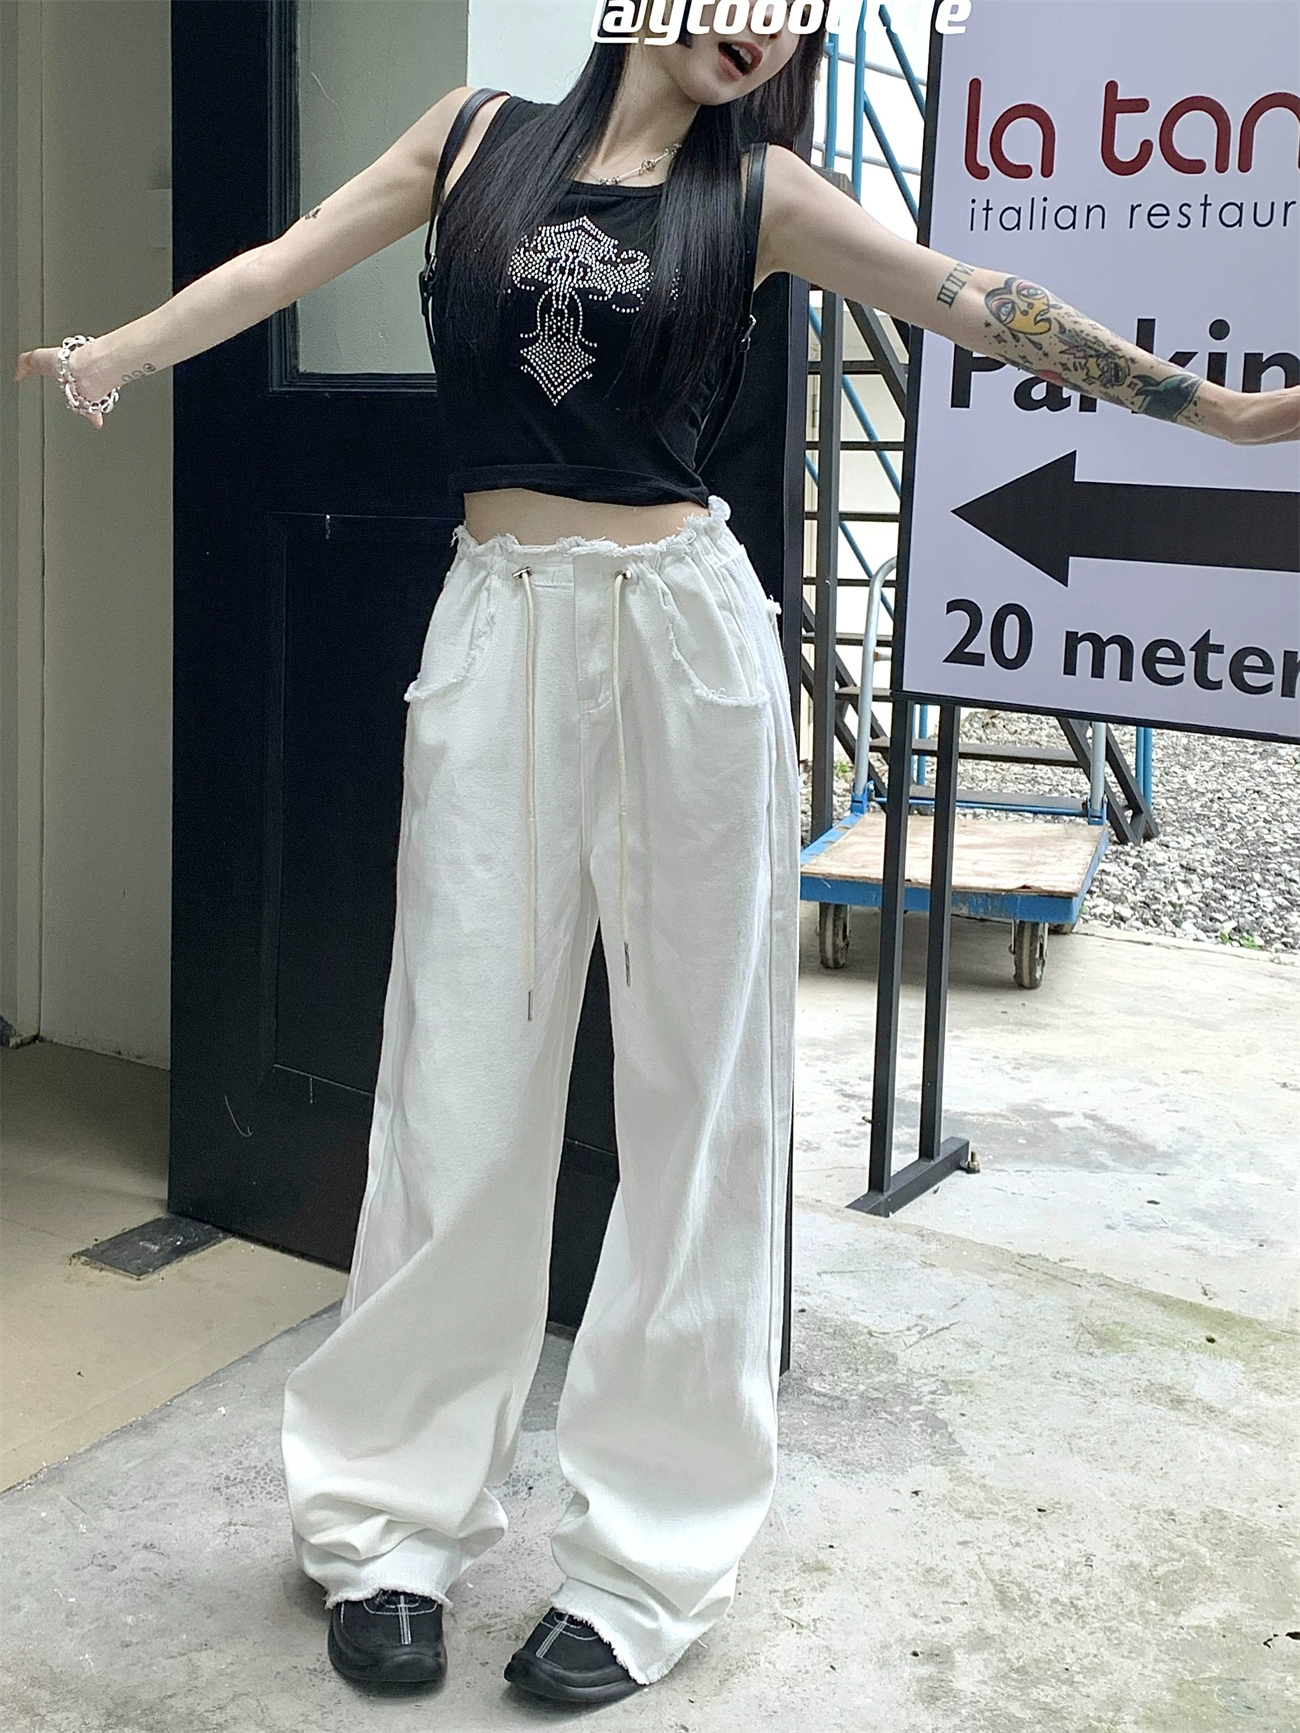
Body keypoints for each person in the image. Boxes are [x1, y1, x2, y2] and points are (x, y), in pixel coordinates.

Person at [16, 6, 1298, 1711]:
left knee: (700, 1093)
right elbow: (284, 258)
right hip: (497, 631)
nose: (762, 26)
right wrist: (114, 350)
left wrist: (1222, 415)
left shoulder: (763, 191)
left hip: (685, 639)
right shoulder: (469, 137)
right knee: (458, 1077)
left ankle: (648, 1560)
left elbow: (974, 300)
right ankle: (388, 1525)